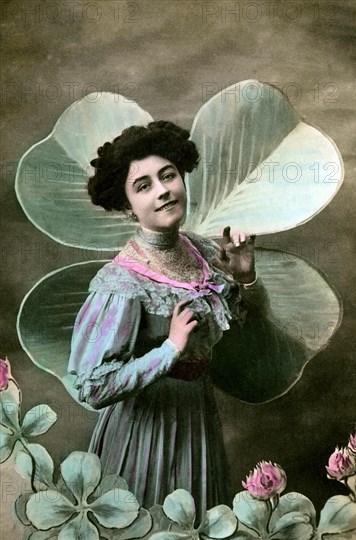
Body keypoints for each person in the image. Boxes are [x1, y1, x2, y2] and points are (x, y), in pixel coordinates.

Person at [67, 121, 259, 519]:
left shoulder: (204, 251)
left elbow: (231, 330)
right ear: (126, 207)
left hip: (197, 418)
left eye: (168, 175)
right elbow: (93, 387)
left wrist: (241, 276)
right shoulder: (122, 281)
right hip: (145, 428)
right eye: (144, 186)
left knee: (199, 530)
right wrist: (169, 348)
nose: (163, 190)